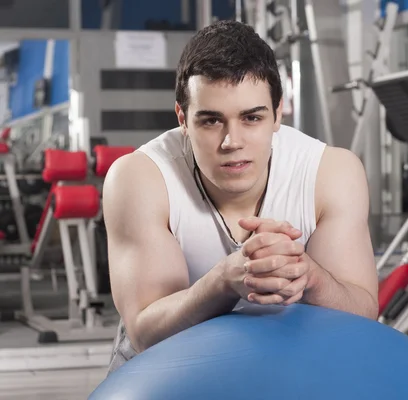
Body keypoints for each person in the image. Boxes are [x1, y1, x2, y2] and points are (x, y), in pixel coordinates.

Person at [103, 20, 378, 374]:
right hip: (167, 367)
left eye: (251, 118)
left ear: (278, 113)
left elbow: (364, 313)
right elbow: (144, 333)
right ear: (182, 118)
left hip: (288, 354)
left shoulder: (330, 172)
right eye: (211, 121)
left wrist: (309, 276)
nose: (232, 142)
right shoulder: (140, 177)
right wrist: (223, 281)